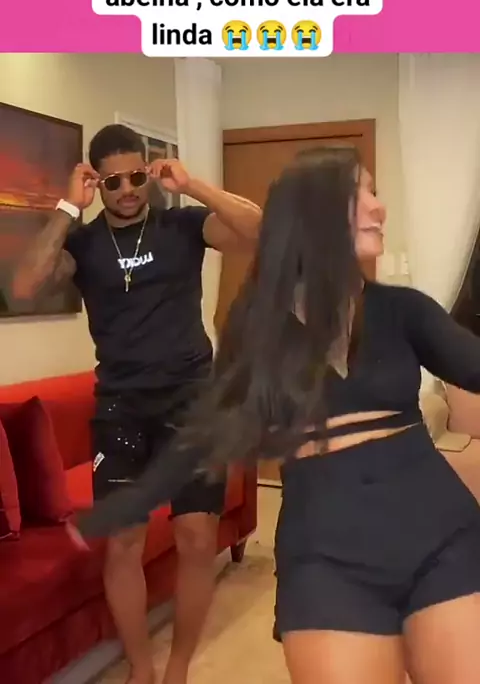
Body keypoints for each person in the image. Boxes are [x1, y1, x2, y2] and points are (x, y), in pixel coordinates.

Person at [75, 145, 480, 684]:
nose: (378, 207)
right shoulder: (256, 326)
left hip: (441, 537)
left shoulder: (405, 310)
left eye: (374, 193)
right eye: (359, 194)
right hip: (326, 559)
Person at [12, 124, 261, 684]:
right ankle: (141, 669)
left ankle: (178, 670)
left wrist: (193, 185)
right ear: (96, 182)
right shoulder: (84, 244)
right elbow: (24, 287)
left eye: (135, 177)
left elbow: (260, 231)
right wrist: (66, 208)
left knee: (196, 537)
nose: (127, 190)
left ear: (149, 173)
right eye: (113, 181)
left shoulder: (183, 225)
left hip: (192, 401)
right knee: (123, 543)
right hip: (120, 408)